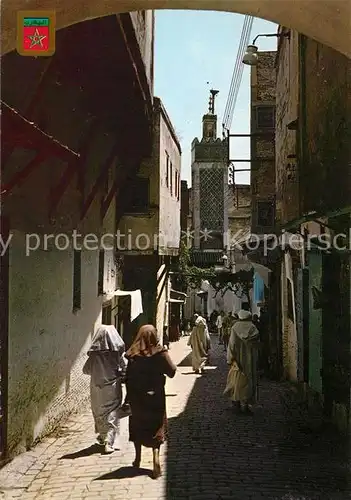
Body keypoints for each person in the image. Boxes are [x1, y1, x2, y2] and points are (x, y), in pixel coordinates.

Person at [125, 324, 176, 479]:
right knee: (156, 426)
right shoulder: (160, 353)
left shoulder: (133, 354)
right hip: (155, 397)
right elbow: (172, 371)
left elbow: (128, 378)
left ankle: (137, 458)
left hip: (137, 397)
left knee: (138, 425)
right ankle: (155, 458)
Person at [83, 325, 126, 453]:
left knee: (99, 413)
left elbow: (85, 370)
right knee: (112, 413)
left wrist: (97, 371)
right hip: (112, 388)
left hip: (97, 389)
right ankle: (109, 442)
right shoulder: (117, 354)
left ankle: (103, 436)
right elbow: (125, 367)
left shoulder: (94, 356)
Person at [224, 309, 260, 414]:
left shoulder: (235, 328)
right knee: (249, 380)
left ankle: (237, 403)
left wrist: (230, 358)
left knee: (237, 380)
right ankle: (246, 404)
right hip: (250, 359)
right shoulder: (253, 328)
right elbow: (257, 345)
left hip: (238, 360)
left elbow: (232, 344)